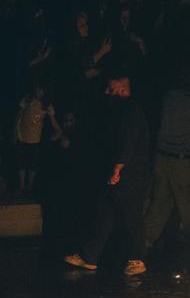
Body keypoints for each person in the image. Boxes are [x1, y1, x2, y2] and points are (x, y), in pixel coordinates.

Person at [64, 71, 150, 276]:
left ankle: (138, 259)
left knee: (132, 215)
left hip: (131, 174)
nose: (106, 92)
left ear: (122, 91)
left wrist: (117, 168)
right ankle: (89, 256)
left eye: (111, 89)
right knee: (105, 213)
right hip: (120, 172)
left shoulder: (131, 112)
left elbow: (127, 144)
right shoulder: (119, 111)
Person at [143, 62, 190, 273]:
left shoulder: (168, 97)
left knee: (159, 205)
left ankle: (140, 248)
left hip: (161, 158)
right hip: (183, 161)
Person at [12, 79, 62, 196]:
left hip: (36, 139)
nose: (37, 91)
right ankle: (21, 187)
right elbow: (18, 116)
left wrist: (59, 131)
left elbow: (53, 121)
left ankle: (29, 188)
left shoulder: (46, 105)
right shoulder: (27, 100)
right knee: (21, 163)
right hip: (22, 137)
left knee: (32, 165)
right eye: (37, 88)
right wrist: (14, 132)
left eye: (40, 89)